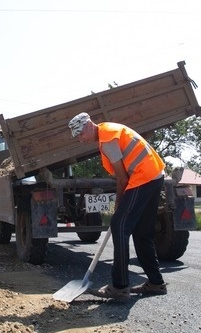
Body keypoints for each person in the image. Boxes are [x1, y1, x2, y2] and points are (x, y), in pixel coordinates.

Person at [68, 112, 168, 300]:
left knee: (119, 226)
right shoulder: (108, 130)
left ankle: (120, 286)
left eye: (80, 134)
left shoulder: (107, 140)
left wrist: (119, 207)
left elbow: (122, 178)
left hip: (143, 177)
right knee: (142, 231)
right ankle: (156, 283)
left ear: (89, 125)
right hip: (155, 174)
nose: (80, 140)